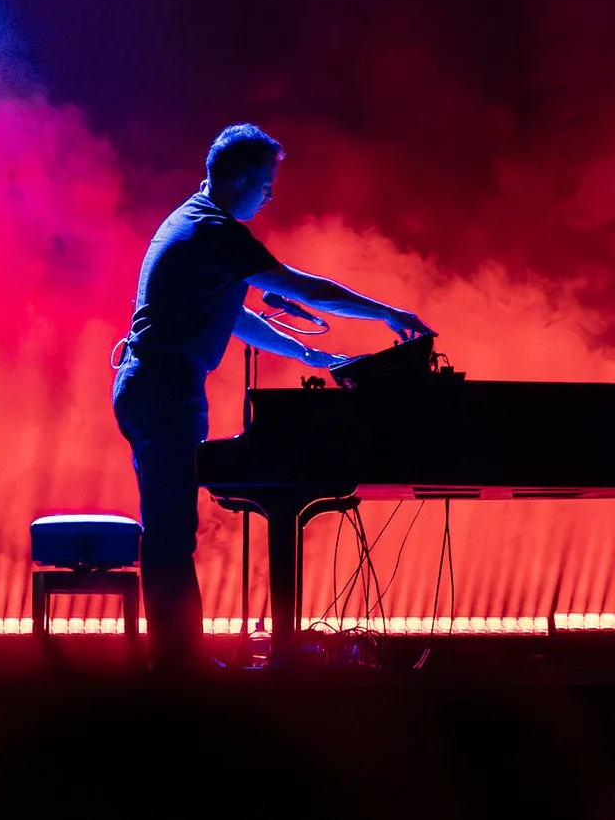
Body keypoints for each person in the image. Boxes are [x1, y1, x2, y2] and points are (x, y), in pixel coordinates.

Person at [112, 123, 432, 668]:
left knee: (170, 532)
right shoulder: (214, 231)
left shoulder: (194, 221)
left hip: (154, 385)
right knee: (171, 535)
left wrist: (308, 355)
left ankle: (178, 662)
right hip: (164, 390)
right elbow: (303, 288)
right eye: (265, 183)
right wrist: (387, 313)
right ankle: (177, 669)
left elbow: (235, 316)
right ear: (240, 179)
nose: (269, 195)